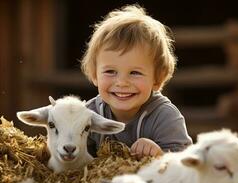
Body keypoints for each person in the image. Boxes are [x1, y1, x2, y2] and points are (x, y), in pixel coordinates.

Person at [81, 4, 192, 159]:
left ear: (157, 79)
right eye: (110, 71)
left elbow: (185, 165)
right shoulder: (88, 115)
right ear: (95, 75)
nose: (122, 82)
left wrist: (159, 155)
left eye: (135, 73)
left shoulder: (164, 117)